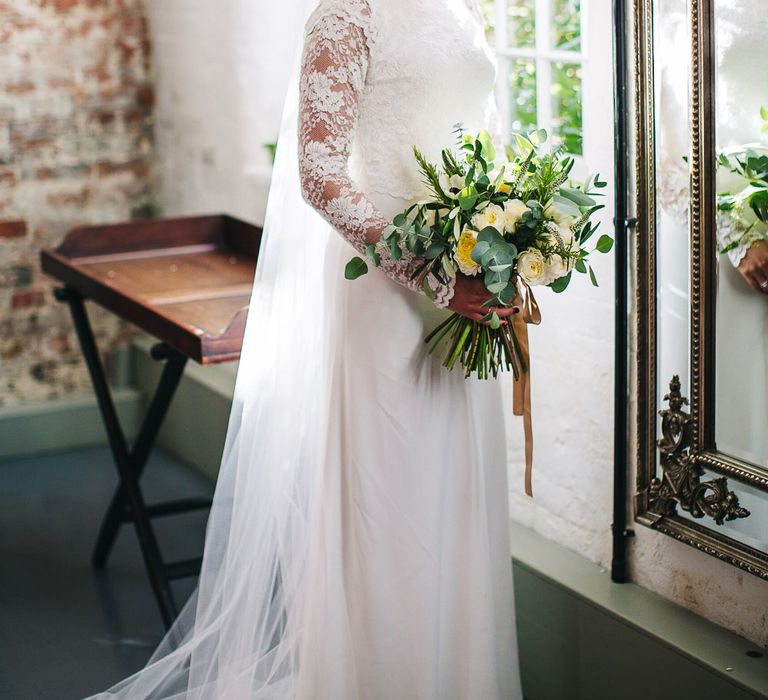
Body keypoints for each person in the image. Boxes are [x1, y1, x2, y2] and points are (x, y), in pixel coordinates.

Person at [87, 0, 523, 697]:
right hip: (387, 293)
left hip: (470, 282)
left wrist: (509, 251)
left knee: (455, 496)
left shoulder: (461, 8)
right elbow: (320, 174)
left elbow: (483, 141)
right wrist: (435, 274)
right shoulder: (346, 14)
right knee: (390, 506)